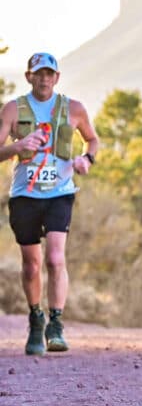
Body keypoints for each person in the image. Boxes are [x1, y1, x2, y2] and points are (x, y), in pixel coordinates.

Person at [0, 53, 99, 355]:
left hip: (60, 193)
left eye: (49, 74)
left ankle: (56, 323)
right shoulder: (14, 109)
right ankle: (35, 318)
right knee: (32, 265)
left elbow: (93, 140)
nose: (44, 79)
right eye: (38, 73)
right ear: (29, 76)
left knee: (56, 258)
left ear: (57, 77)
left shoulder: (74, 108)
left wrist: (87, 159)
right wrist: (18, 146)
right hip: (25, 195)